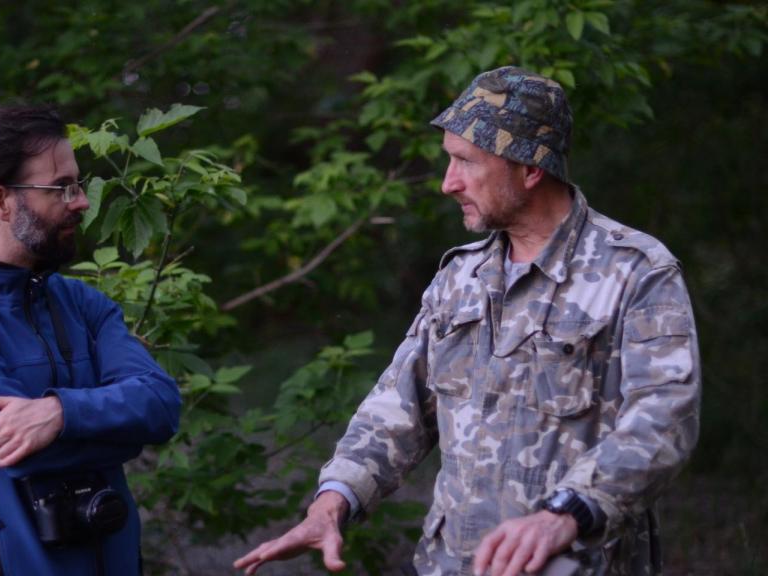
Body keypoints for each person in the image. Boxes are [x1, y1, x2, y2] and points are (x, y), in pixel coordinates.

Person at [235, 66, 700, 576]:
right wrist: (334, 500)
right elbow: (397, 409)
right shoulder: (461, 277)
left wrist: (568, 512)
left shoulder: (635, 271)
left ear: (530, 169)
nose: (446, 183)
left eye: (465, 162)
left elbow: (664, 417)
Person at [0, 105, 181, 575]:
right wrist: (118, 429)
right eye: (61, 188)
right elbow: (16, 452)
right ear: (0, 202)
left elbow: (161, 406)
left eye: (78, 184)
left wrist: (60, 414)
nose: (82, 201)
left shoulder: (85, 305)